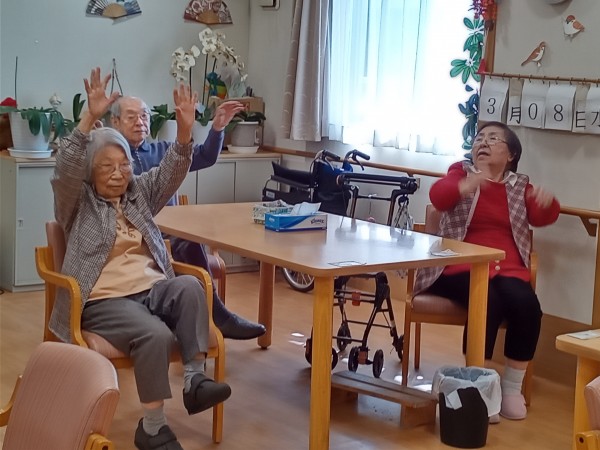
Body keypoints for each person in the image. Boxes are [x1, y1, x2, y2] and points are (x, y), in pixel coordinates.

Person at [50, 67, 231, 450]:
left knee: (190, 286)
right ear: (90, 172)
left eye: (124, 166)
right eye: (106, 167)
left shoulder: (137, 193)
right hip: (104, 300)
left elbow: (172, 170)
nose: (118, 174)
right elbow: (65, 170)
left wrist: (185, 132)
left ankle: (195, 381)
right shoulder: (77, 202)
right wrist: (89, 118)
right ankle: (152, 428)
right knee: (156, 334)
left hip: (151, 290)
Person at [413, 121, 560, 421]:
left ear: (511, 155)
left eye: (493, 139)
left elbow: (543, 215)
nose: (483, 142)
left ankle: (511, 389)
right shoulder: (461, 171)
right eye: (479, 138)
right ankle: (478, 386)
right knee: (487, 299)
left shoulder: (520, 185)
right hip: (457, 265)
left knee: (527, 305)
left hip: (507, 268)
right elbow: (439, 196)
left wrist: (548, 204)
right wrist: (463, 186)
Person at [109, 95, 266, 340]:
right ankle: (217, 317)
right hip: (135, 235)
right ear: (115, 121)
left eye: (144, 116)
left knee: (189, 237)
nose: (140, 122)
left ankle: (211, 317)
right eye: (131, 117)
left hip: (172, 233)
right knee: (187, 241)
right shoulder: (110, 158)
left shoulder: (164, 150)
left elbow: (205, 156)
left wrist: (218, 127)